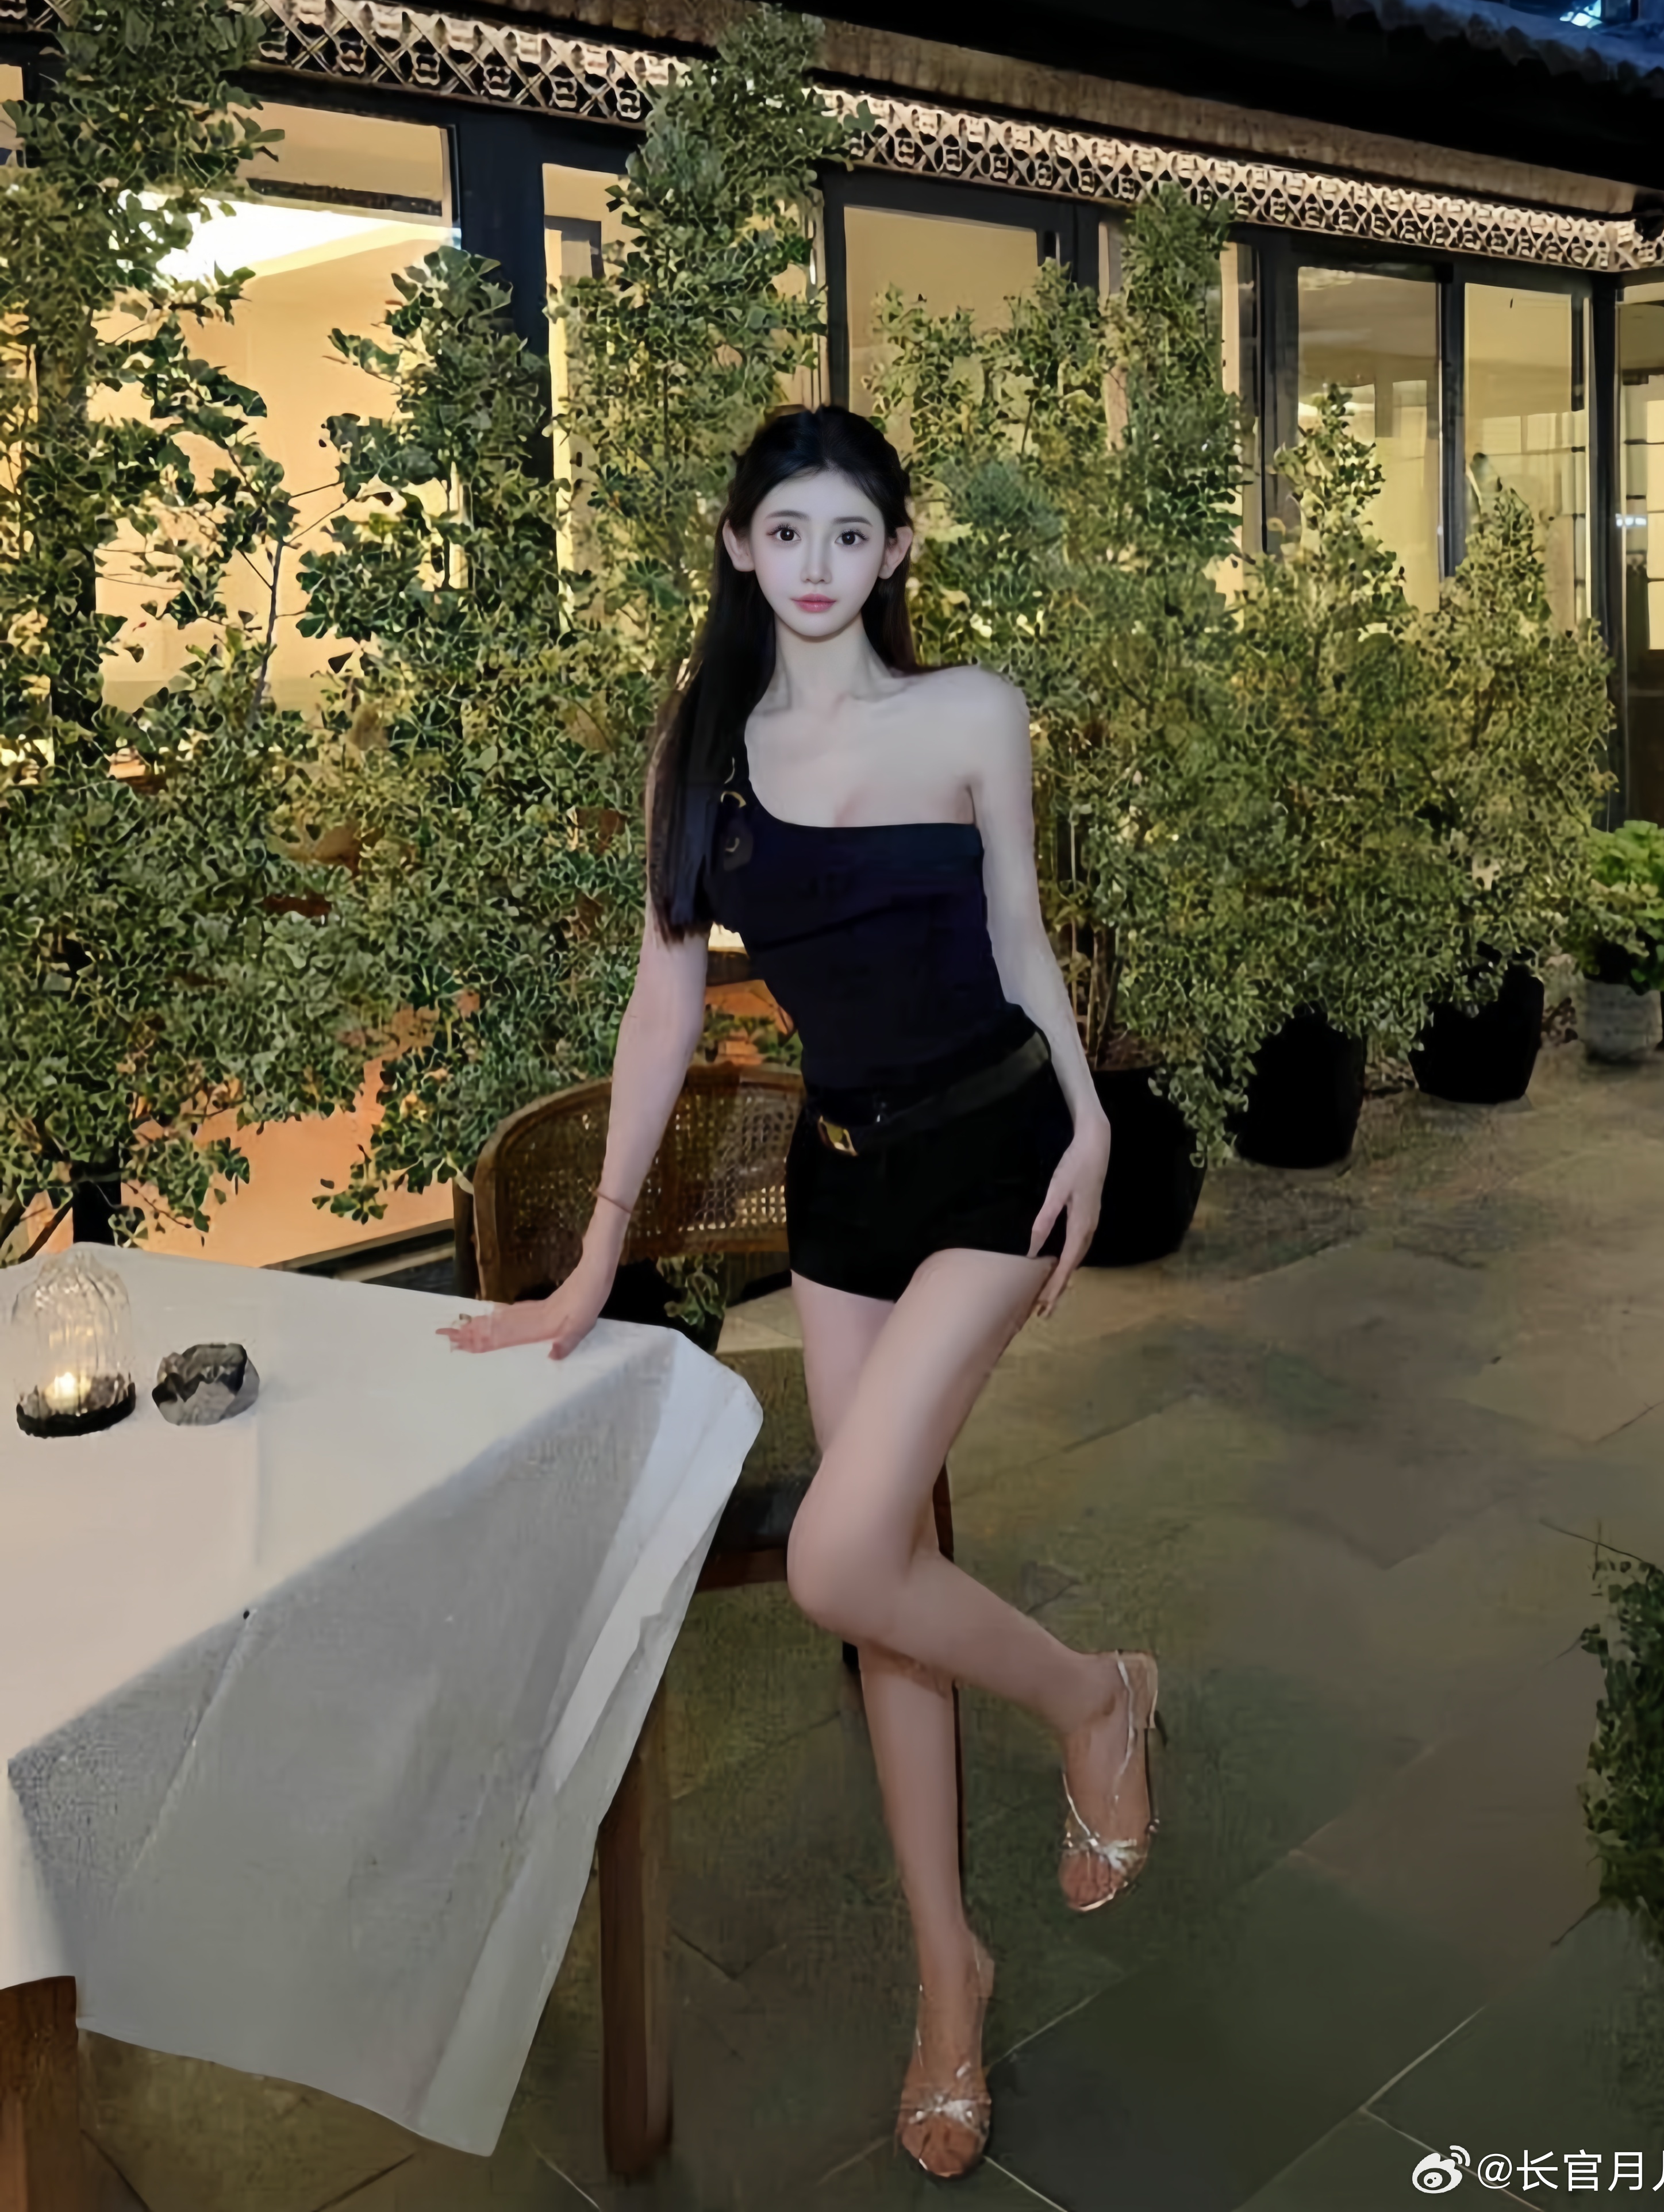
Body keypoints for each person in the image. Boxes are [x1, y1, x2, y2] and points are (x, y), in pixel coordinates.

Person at [440, 404, 1163, 2182]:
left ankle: (1092, 1699)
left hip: (994, 1161)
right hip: (841, 1187)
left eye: (852, 533)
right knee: (883, 1586)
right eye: (788, 532)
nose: (819, 564)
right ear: (739, 546)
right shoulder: (699, 748)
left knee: (841, 1559)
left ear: (896, 548)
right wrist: (596, 1252)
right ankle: (946, 1979)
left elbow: (1018, 934)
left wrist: (1089, 1117)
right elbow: (664, 1001)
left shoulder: (970, 711)